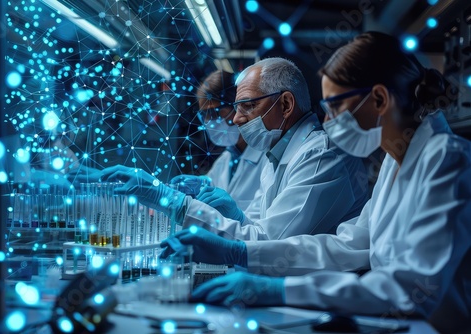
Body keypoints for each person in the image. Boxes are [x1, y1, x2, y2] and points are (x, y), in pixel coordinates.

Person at [160, 31, 471, 333]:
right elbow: (348, 245)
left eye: (335, 106)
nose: (328, 120)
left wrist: (279, 289)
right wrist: (241, 253)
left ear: (378, 99)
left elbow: (410, 286)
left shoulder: (447, 160)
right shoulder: (395, 159)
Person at [102, 57, 369, 240]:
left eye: (247, 106)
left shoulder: (320, 155)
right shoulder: (276, 154)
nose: (237, 119)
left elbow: (267, 242)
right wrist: (235, 214)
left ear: (286, 105)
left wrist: (173, 202)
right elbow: (256, 227)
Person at [170, 70, 266, 210]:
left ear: (239, 106)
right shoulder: (226, 159)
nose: (210, 122)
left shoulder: (267, 158)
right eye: (204, 115)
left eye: (214, 113)